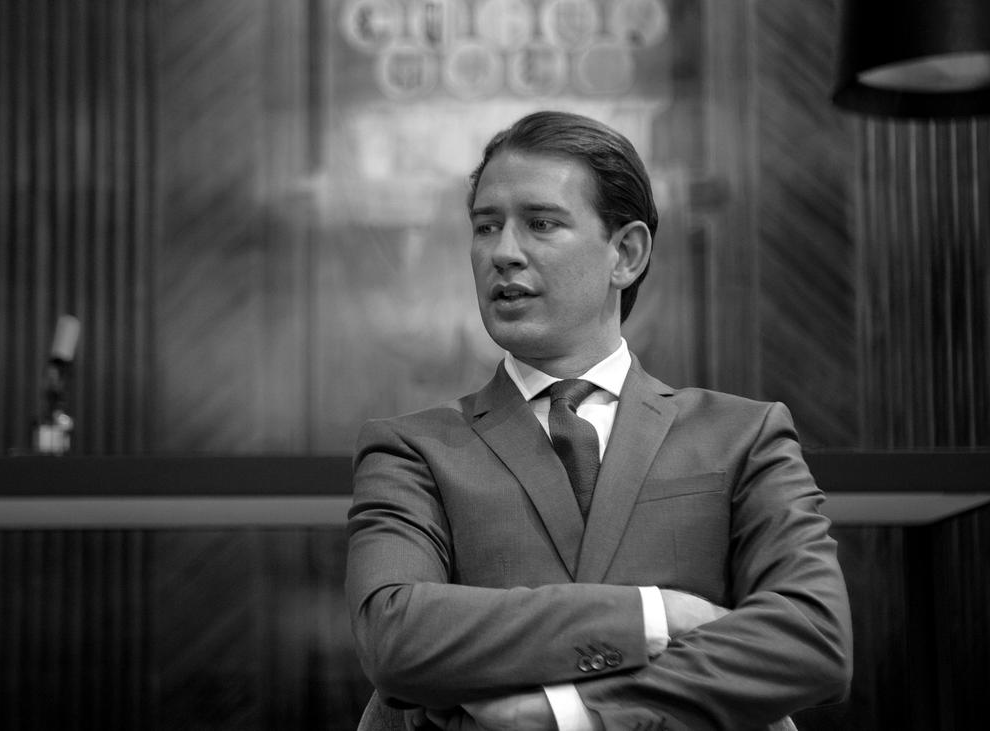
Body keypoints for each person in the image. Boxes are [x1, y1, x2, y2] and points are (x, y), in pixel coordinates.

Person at [345, 111, 852, 731]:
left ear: (627, 254)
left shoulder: (743, 436)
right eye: (486, 227)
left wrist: (567, 711)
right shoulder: (412, 450)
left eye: (541, 223)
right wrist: (656, 615)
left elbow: (811, 640)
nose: (503, 253)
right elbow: (395, 640)